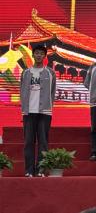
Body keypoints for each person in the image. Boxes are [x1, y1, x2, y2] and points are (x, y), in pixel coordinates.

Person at [20, 45, 56, 177]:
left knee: (43, 142)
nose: (39, 55)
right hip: (28, 112)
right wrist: (24, 107)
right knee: (28, 142)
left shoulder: (50, 73)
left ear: (45, 56)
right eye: (37, 53)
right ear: (33, 55)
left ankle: (41, 170)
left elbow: (52, 92)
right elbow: (22, 90)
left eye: (41, 53)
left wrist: (49, 107)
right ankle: (29, 170)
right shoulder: (25, 72)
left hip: (44, 112)